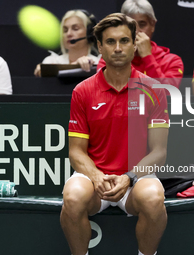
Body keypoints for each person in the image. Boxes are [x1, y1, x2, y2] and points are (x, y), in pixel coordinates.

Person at [61, 13, 169, 255]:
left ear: (134, 45)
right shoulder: (83, 91)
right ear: (99, 46)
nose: (118, 48)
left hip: (135, 179)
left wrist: (128, 177)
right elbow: (76, 152)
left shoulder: (154, 89)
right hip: (95, 180)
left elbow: (159, 151)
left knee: (153, 199)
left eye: (124, 41)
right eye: (110, 42)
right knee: (73, 196)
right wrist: (97, 177)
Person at [96, 0, 184, 88]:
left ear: (152, 25)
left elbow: (167, 94)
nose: (136, 31)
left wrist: (147, 57)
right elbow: (106, 90)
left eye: (142, 24)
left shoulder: (172, 61)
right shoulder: (108, 57)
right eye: (131, 26)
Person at [34, 10, 101, 77]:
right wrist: (76, 66)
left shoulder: (99, 64)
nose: (68, 34)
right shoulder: (51, 61)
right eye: (65, 30)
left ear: (89, 33)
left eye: (75, 29)